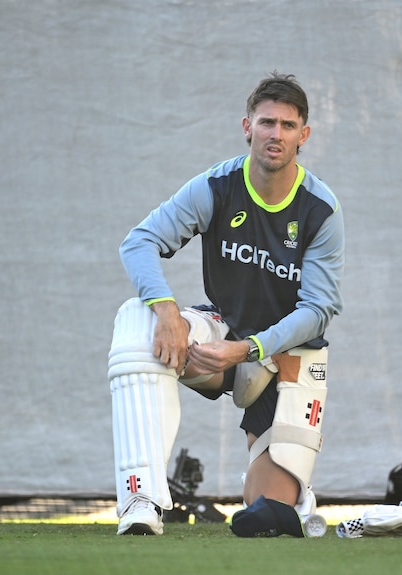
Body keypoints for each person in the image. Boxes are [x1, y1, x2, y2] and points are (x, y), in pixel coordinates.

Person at [107, 72, 344, 537]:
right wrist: (167, 310)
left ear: (304, 135)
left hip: (288, 355)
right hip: (223, 333)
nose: (276, 134)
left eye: (288, 126)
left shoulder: (320, 209)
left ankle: (292, 487)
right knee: (137, 321)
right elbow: (139, 243)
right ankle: (142, 498)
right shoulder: (216, 187)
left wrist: (249, 348)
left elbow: (318, 310)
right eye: (267, 122)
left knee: (266, 517)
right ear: (247, 126)